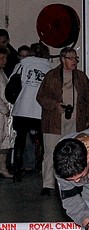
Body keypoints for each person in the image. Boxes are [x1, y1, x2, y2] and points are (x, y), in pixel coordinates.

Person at [37, 47, 89, 196]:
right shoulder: (51, 76)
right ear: (62, 59)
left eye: (75, 58)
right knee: (51, 152)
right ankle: (48, 184)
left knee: (75, 152)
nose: (74, 61)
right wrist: (55, 105)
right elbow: (41, 97)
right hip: (53, 122)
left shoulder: (81, 77)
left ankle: (74, 182)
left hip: (77, 122)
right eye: (71, 58)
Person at [10, 42, 51, 182]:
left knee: (20, 140)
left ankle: (16, 171)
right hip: (40, 110)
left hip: (22, 107)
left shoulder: (23, 63)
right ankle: (45, 172)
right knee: (45, 142)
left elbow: (13, 82)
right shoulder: (49, 67)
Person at [0, 47, 14, 178]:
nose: (4, 61)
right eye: (2, 58)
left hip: (4, 113)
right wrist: (4, 109)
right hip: (2, 112)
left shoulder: (2, 73)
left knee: (4, 141)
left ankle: (2, 167)